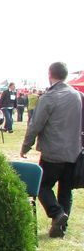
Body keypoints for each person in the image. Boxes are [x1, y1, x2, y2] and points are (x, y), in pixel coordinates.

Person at [20, 62, 83, 238]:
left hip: (53, 153)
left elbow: (35, 125)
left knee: (42, 186)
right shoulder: (76, 95)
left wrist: (26, 146)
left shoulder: (49, 97)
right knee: (65, 190)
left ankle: (56, 214)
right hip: (73, 152)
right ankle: (61, 228)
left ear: (50, 74)